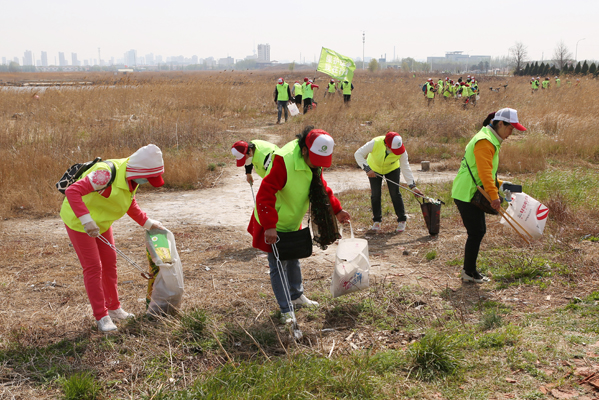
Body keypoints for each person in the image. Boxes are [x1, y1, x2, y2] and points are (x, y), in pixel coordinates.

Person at [248, 127, 351, 323]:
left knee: (293, 257)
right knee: (278, 264)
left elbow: (321, 187)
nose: (317, 166)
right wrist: (270, 225)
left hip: (292, 219)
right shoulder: (283, 160)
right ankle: (286, 310)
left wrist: (337, 210)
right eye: (315, 161)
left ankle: (296, 296)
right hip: (273, 221)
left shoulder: (314, 162)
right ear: (304, 150)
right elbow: (265, 194)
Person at [60, 144, 166, 332]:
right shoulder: (106, 174)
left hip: (101, 223)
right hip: (79, 223)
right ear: (140, 170)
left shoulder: (132, 179)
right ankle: (102, 317)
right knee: (94, 268)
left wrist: (148, 223)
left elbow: (128, 202)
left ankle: (114, 308)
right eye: (149, 177)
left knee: (109, 264)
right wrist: (86, 220)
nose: (148, 181)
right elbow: (72, 192)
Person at [451, 108, 527, 283]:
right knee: (476, 232)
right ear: (500, 124)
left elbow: (485, 172)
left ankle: (469, 271)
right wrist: (494, 197)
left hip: (471, 190)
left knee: (477, 231)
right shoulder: (485, 141)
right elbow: (484, 174)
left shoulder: (489, 138)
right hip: (467, 193)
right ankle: (468, 273)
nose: (511, 133)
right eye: (510, 128)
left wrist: (501, 184)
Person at [354, 132, 423, 233]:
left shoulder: (401, 150)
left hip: (392, 169)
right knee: (375, 194)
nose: (396, 152)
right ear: (386, 145)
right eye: (393, 150)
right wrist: (367, 168)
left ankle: (402, 220)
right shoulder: (375, 143)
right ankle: (377, 221)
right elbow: (358, 154)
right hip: (374, 169)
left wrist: (413, 186)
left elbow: (405, 167)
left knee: (395, 193)